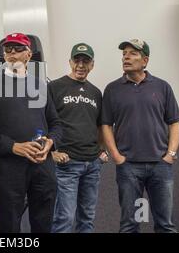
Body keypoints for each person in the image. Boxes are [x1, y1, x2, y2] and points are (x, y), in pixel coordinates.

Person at [0, 33, 62, 233]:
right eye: (8, 49)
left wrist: (51, 143)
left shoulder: (42, 86)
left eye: (18, 49)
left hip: (43, 164)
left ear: (29, 54)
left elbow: (57, 124)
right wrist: (13, 147)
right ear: (3, 55)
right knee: (10, 223)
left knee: (43, 222)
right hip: (11, 166)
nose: (13, 53)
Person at [102, 39, 179, 233]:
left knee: (165, 224)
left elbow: (174, 123)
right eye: (124, 54)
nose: (126, 57)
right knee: (131, 224)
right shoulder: (112, 89)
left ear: (145, 60)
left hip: (160, 167)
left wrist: (170, 154)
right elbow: (105, 125)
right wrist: (117, 156)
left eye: (132, 53)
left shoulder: (162, 87)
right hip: (129, 169)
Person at [49, 43, 108, 233]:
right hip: (67, 164)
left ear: (92, 65)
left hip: (92, 164)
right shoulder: (54, 87)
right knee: (64, 218)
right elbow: (43, 122)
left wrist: (101, 151)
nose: (81, 65)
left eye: (86, 61)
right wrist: (52, 152)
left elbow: (100, 126)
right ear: (70, 62)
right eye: (77, 60)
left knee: (87, 218)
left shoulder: (96, 93)